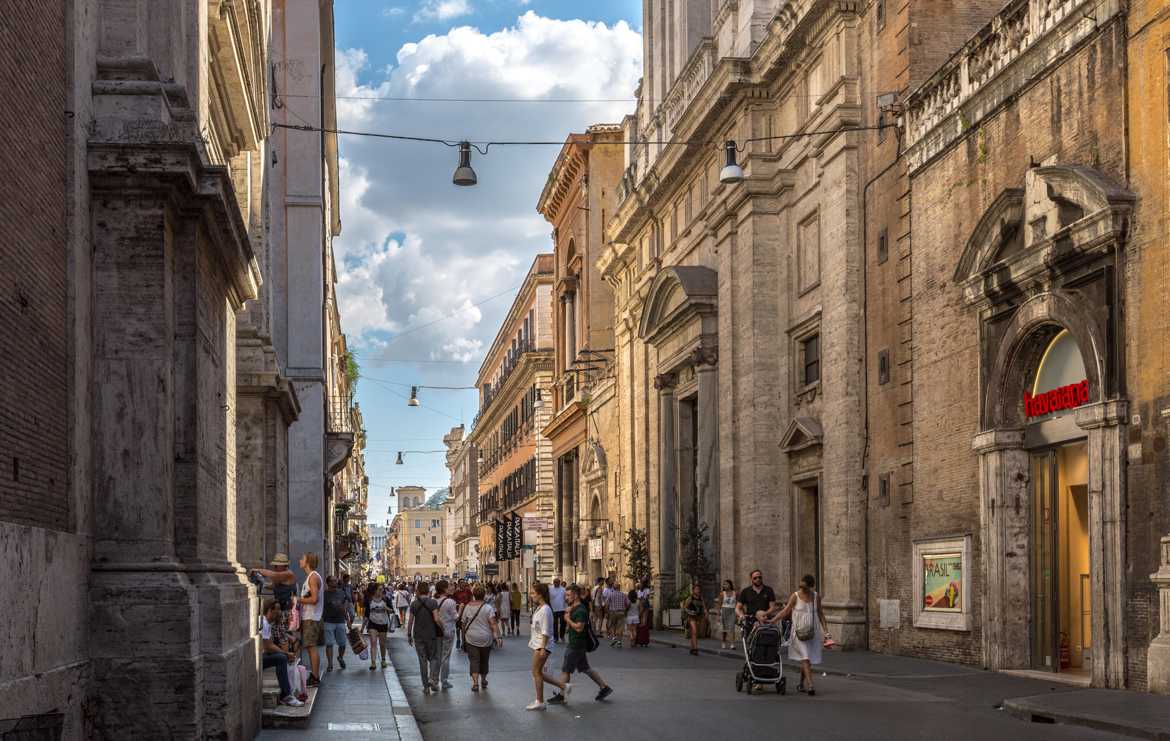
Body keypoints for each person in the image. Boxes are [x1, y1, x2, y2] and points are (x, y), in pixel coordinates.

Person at [548, 585, 612, 705]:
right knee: (586, 668)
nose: (566, 598)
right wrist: (569, 611)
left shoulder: (581, 610)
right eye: (565, 595)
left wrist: (567, 620)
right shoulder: (574, 608)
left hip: (576, 644)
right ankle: (604, 687)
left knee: (566, 670)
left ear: (575, 595)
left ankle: (561, 695)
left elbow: (579, 628)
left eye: (568, 595)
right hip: (578, 644)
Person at [769, 574, 830, 695]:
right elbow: (785, 611)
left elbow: (820, 614)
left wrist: (826, 632)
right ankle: (811, 685)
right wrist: (772, 620)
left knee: (807, 660)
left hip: (812, 632)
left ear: (810, 587)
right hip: (798, 633)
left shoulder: (816, 596)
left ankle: (801, 683)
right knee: (806, 657)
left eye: (805, 588)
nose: (803, 590)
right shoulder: (795, 596)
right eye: (801, 587)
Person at [526, 582, 569, 711]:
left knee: (536, 672)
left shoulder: (545, 610)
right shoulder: (541, 607)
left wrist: (543, 648)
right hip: (539, 644)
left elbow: (545, 631)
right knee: (538, 672)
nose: (531, 595)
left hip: (542, 644)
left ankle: (539, 701)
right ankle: (564, 687)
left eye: (533, 593)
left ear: (540, 594)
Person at [260, 600, 303, 707]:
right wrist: (286, 654)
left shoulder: (267, 623)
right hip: (257, 657)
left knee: (282, 657)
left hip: (262, 654)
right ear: (270, 610)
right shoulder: (264, 623)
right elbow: (268, 646)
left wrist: (286, 653)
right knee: (281, 658)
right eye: (277, 609)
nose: (279, 612)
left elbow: (269, 645)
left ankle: (287, 692)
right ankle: (286, 695)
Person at [460, 584, 501, 692]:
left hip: (471, 638)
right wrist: (497, 637)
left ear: (473, 595)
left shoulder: (468, 607)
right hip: (485, 638)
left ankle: (475, 683)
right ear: (484, 595)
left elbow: (463, 624)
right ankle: (483, 680)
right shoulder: (488, 608)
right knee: (484, 660)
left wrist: (463, 637)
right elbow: (493, 624)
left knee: (474, 660)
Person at [406, 582, 442, 694]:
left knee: (422, 661)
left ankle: (426, 687)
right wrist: (443, 628)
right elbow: (436, 619)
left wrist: (409, 635)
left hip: (418, 636)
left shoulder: (414, 604)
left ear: (418, 591)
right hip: (431, 635)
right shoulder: (433, 602)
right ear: (428, 590)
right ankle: (432, 678)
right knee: (433, 658)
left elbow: (410, 621)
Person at [298, 552, 324, 687]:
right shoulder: (311, 576)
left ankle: (315, 677)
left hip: (312, 617)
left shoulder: (313, 577)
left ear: (307, 561)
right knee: (310, 648)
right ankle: (315, 676)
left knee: (311, 648)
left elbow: (314, 599)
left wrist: (298, 600)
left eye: (302, 558)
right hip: (310, 617)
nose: (300, 560)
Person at [322, 576, 351, 672]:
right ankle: (330, 664)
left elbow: (345, 607)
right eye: (333, 581)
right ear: (328, 583)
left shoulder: (341, 593)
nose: (335, 582)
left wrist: (348, 620)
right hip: (328, 621)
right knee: (329, 644)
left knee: (342, 644)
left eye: (336, 580)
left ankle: (340, 657)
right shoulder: (324, 594)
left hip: (340, 621)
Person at [434, 580, 458, 691]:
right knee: (446, 657)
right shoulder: (450, 602)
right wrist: (461, 609)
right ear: (444, 589)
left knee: (437, 656)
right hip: (448, 631)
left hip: (437, 632)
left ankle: (434, 680)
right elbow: (455, 617)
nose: (451, 587)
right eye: (449, 586)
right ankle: (444, 681)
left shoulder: (434, 601)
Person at [363, 583, 392, 670]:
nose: (381, 591)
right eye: (379, 589)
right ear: (374, 590)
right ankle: (373, 662)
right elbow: (366, 614)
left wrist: (386, 608)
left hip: (383, 623)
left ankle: (383, 660)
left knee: (382, 644)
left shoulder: (386, 599)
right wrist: (362, 627)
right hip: (372, 623)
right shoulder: (369, 600)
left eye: (382, 589)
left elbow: (392, 611)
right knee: (373, 642)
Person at [682, 583, 706, 656]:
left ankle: (692, 648)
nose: (698, 591)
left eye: (699, 589)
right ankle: (695, 649)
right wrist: (690, 612)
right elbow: (685, 608)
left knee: (694, 633)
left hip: (698, 617)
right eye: (696, 589)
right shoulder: (690, 598)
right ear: (693, 590)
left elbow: (704, 607)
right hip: (691, 617)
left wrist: (706, 614)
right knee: (694, 632)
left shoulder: (701, 598)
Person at [605, 583, 629, 647]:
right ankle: (619, 641)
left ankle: (614, 637)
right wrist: (626, 610)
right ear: (619, 588)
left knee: (613, 626)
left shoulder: (610, 594)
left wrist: (607, 612)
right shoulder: (624, 595)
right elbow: (628, 603)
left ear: (613, 588)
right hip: (621, 612)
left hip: (612, 612)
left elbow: (606, 604)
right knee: (620, 627)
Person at [719, 579, 738, 650]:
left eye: (726, 584)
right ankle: (723, 642)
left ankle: (732, 644)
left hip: (732, 611)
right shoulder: (722, 593)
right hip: (724, 611)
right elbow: (719, 604)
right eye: (724, 584)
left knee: (732, 628)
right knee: (724, 629)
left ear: (730, 585)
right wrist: (718, 614)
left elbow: (737, 603)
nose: (725, 585)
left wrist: (738, 612)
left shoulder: (735, 593)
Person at [549, 579, 567, 644]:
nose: (556, 583)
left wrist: (566, 608)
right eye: (555, 582)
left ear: (559, 583)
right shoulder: (550, 589)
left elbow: (566, 598)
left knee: (563, 623)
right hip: (553, 609)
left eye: (557, 582)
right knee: (554, 624)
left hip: (562, 609)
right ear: (553, 583)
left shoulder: (563, 589)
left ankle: (562, 636)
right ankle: (555, 638)